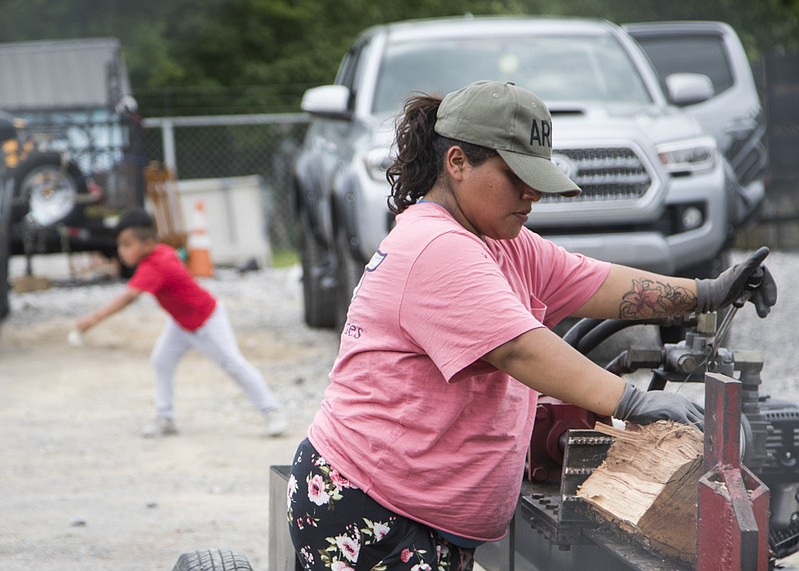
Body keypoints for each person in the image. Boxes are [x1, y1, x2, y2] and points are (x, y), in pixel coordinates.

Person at [286, 81, 777, 571]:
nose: (532, 193)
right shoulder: (436, 246)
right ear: (457, 163)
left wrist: (707, 292)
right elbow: (521, 349)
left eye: (537, 177)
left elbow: (595, 282)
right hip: (371, 513)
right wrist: (634, 402)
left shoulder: (501, 242)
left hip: (409, 515)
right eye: (515, 175)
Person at [75, 207, 287, 438]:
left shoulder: (154, 266)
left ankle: (271, 410)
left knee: (233, 364)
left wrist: (92, 320)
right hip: (181, 323)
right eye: (120, 245)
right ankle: (165, 417)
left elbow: (128, 297)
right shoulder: (161, 252)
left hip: (206, 320)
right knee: (161, 360)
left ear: (147, 244)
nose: (121, 251)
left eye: (127, 245)